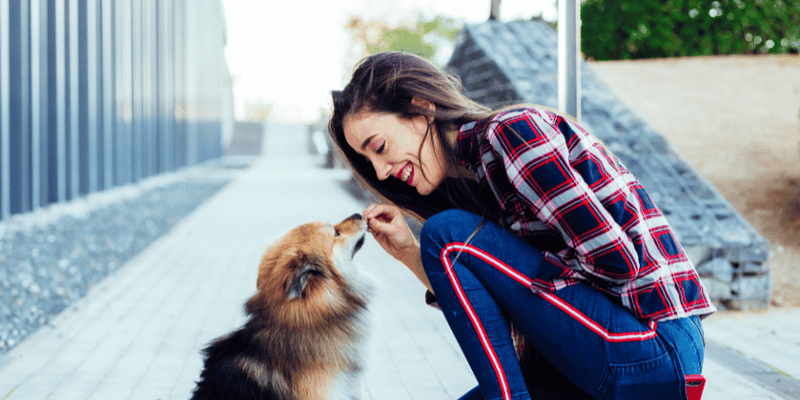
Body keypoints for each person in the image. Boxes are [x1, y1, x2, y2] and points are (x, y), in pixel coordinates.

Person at [328, 51, 715, 400]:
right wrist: (411, 256)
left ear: (421, 107)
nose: (381, 171)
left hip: (654, 345)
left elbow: (616, 261)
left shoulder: (511, 134)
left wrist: (519, 289)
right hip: (597, 357)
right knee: (444, 238)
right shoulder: (476, 185)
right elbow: (494, 313)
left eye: (378, 148)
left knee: (445, 235)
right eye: (369, 163)